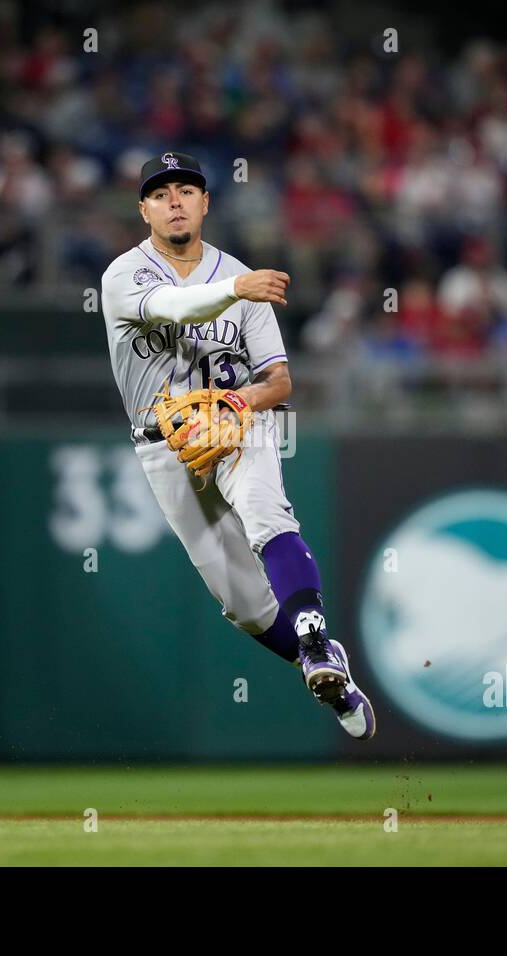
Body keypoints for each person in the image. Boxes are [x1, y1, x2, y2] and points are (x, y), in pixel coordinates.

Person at [99, 151, 375, 739]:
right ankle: (331, 675)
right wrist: (236, 289)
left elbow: (279, 382)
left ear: (205, 202)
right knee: (244, 605)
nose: (175, 200)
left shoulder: (239, 275)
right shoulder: (126, 274)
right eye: (162, 192)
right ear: (144, 208)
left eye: (187, 189)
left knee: (264, 512)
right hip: (163, 444)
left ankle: (315, 639)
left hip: (236, 425)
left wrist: (237, 404)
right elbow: (177, 305)